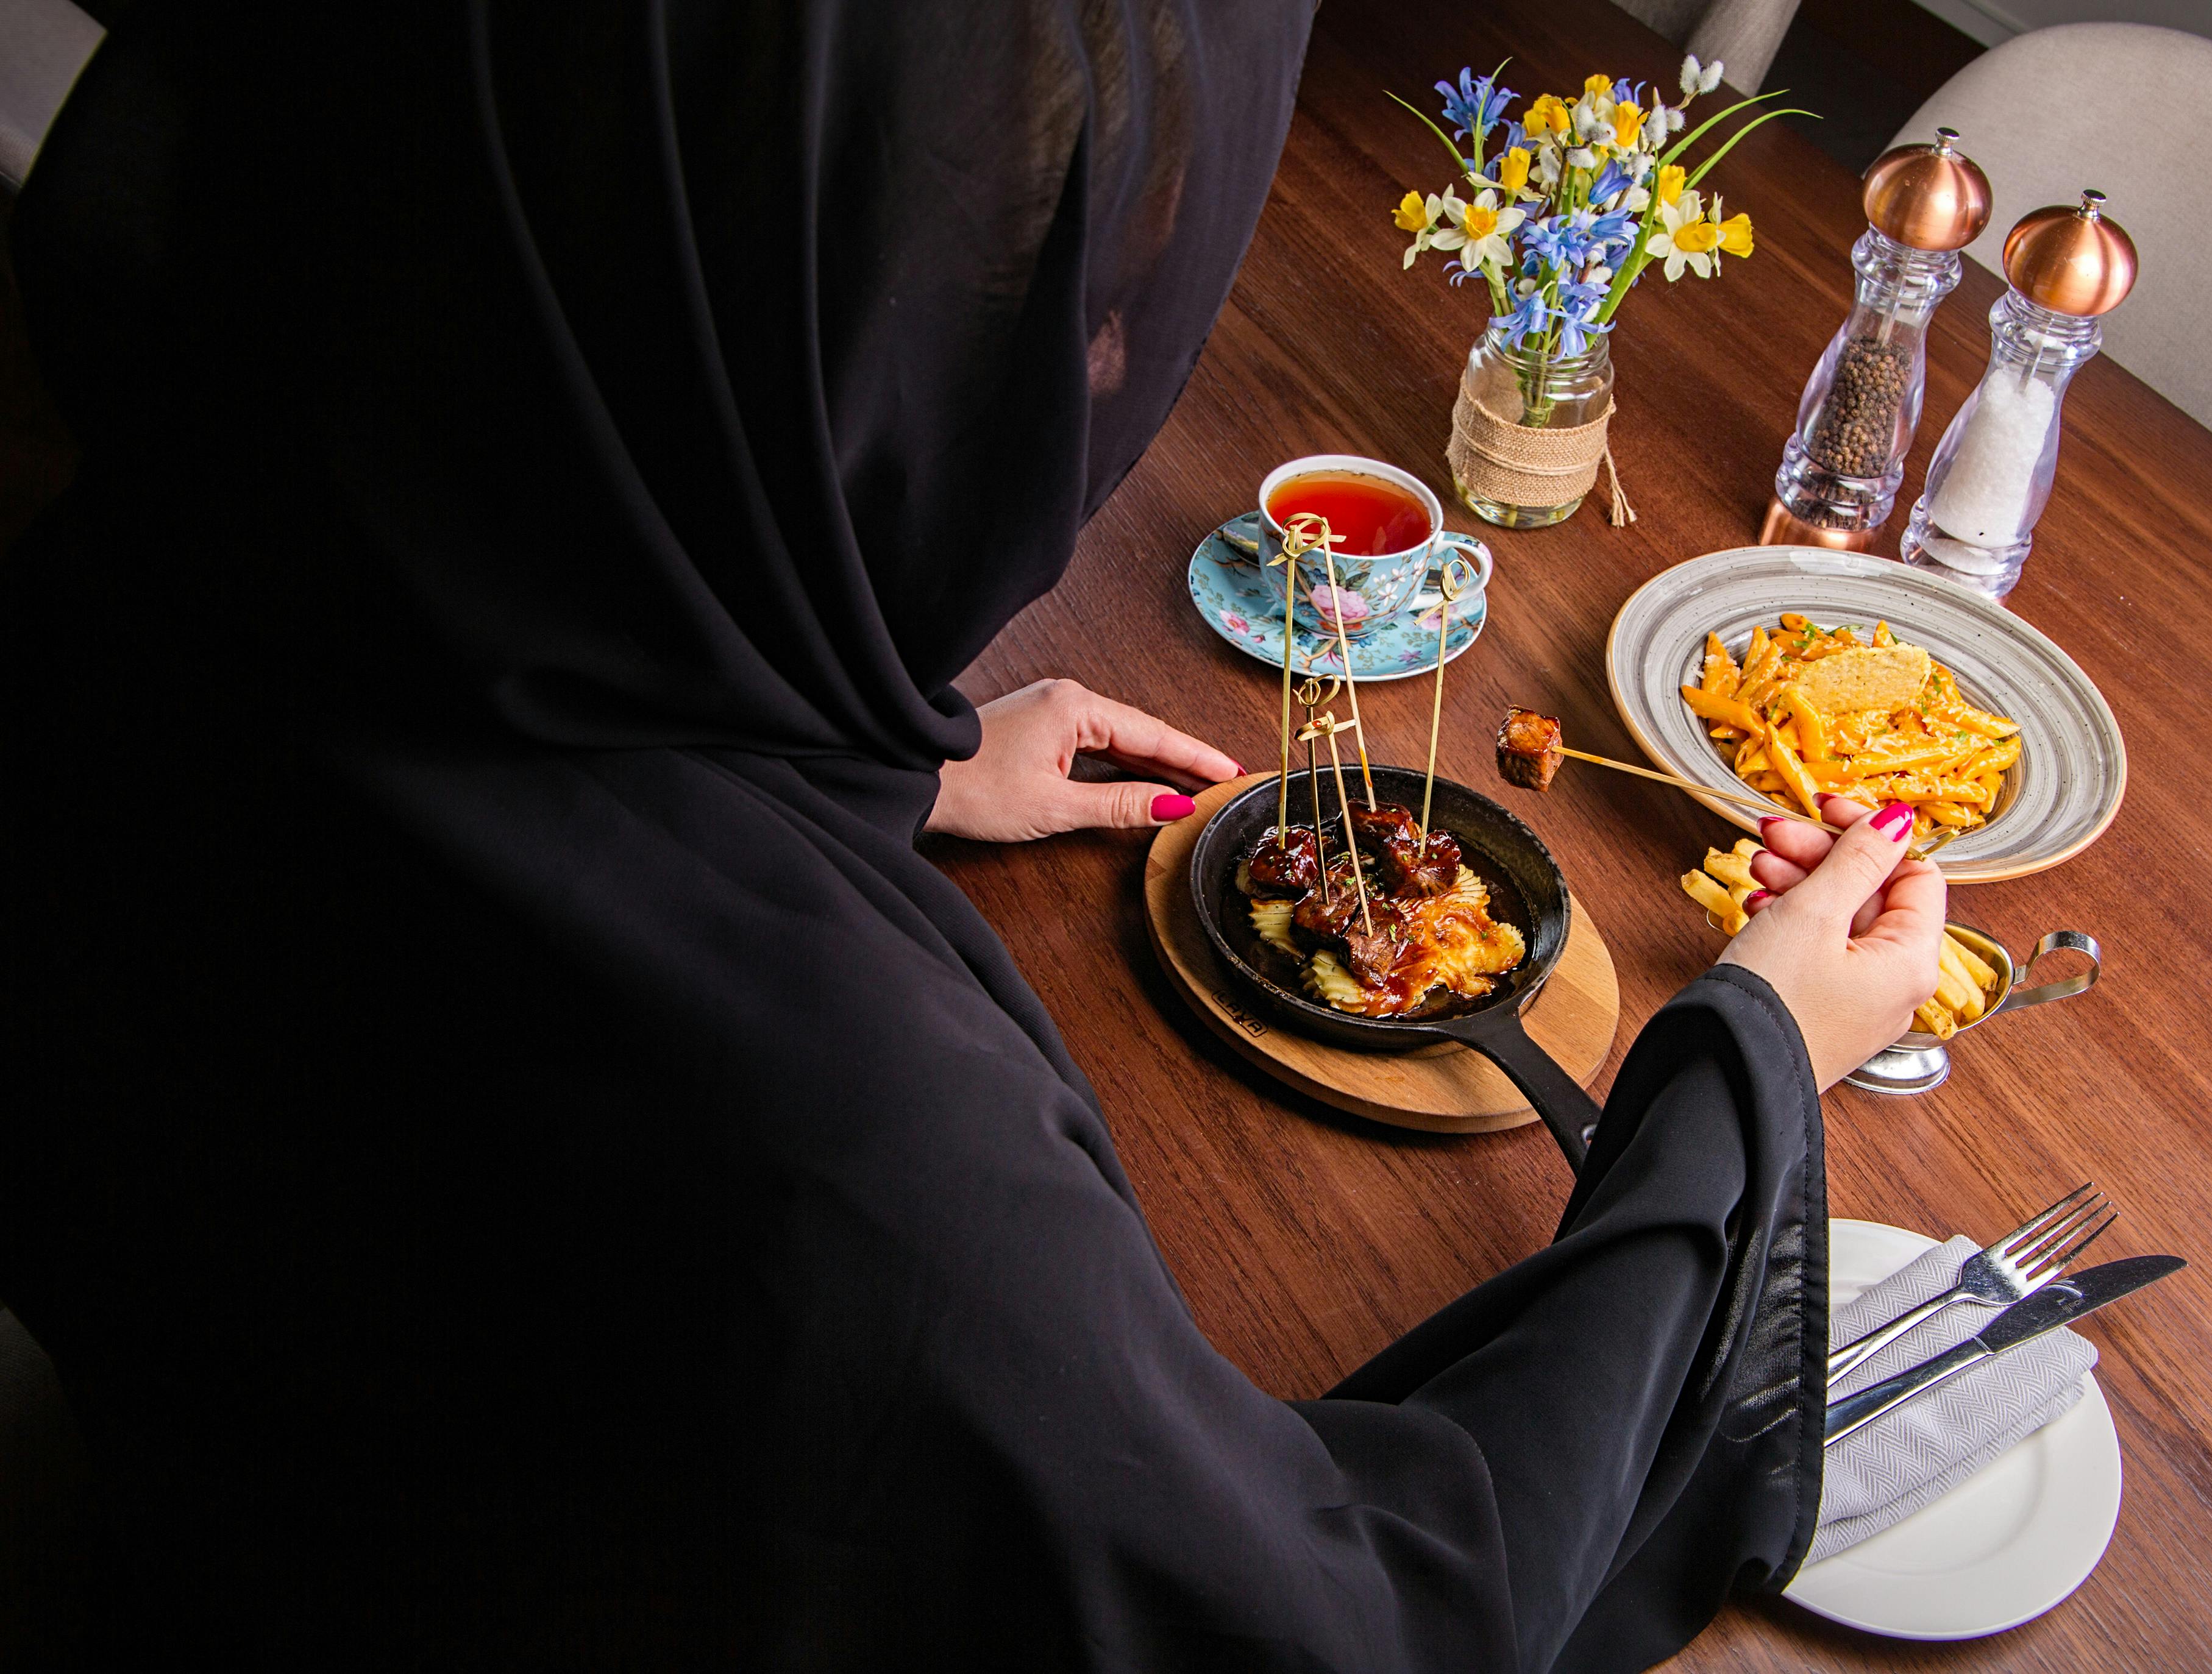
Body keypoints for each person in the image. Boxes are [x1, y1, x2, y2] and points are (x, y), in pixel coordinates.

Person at [0, 2, 1943, 1669]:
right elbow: (1361, 1623)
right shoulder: (852, 1169)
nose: (1092, 387)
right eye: (1060, 326)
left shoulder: (140, 570)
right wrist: (1748, 1059)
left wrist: (867, 761)